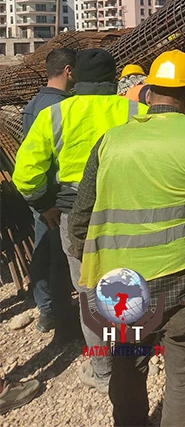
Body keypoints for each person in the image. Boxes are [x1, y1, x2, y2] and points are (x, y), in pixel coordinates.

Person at [66, 50, 185, 427]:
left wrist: (88, 259)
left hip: (123, 289)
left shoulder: (111, 142)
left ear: (148, 91)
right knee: (184, 371)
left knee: (128, 366)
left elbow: (81, 218)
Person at [13, 48, 146, 394]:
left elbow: (25, 176)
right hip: (127, 211)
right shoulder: (138, 111)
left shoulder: (55, 115)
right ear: (113, 78)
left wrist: (46, 204)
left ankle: (101, 369)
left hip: (75, 216)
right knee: (129, 282)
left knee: (88, 291)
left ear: (76, 78)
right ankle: (135, 358)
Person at [20, 47, 76, 334]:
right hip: (53, 196)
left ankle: (46, 309)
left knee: (43, 253)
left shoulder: (33, 104)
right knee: (59, 259)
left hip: (38, 193)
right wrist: (47, 203)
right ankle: (60, 318)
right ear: (69, 70)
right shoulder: (61, 107)